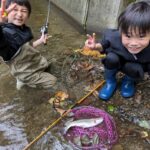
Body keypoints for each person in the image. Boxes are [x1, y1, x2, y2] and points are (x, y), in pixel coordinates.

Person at [84, 1, 150, 101]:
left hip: (134, 67)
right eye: (128, 36)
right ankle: (110, 82)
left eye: (141, 37)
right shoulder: (115, 37)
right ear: (121, 32)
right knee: (110, 58)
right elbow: (104, 45)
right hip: (118, 62)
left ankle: (128, 82)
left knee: (135, 68)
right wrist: (94, 46)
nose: (133, 43)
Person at [0, 0, 57, 90]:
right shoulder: (4, 35)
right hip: (27, 73)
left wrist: (40, 40)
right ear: (6, 13)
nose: (19, 14)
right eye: (15, 10)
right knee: (53, 81)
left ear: (28, 16)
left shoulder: (23, 29)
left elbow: (27, 47)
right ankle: (26, 84)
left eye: (24, 11)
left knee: (50, 63)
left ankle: (21, 79)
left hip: (32, 64)